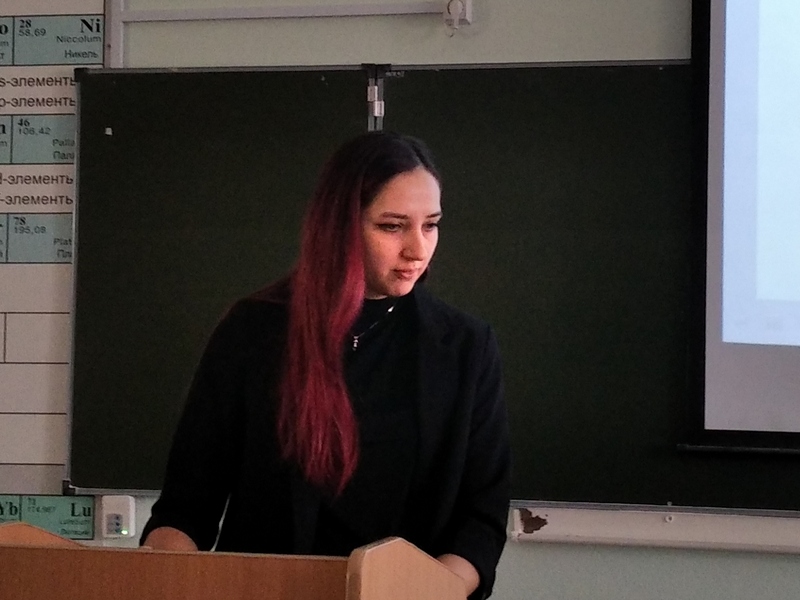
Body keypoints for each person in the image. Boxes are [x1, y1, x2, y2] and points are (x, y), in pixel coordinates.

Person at [140, 131, 511, 600]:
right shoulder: (252, 333)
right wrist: (161, 577)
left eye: (431, 225)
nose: (418, 249)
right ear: (341, 227)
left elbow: (481, 518)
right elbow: (186, 508)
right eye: (392, 227)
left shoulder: (464, 347)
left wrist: (430, 591)